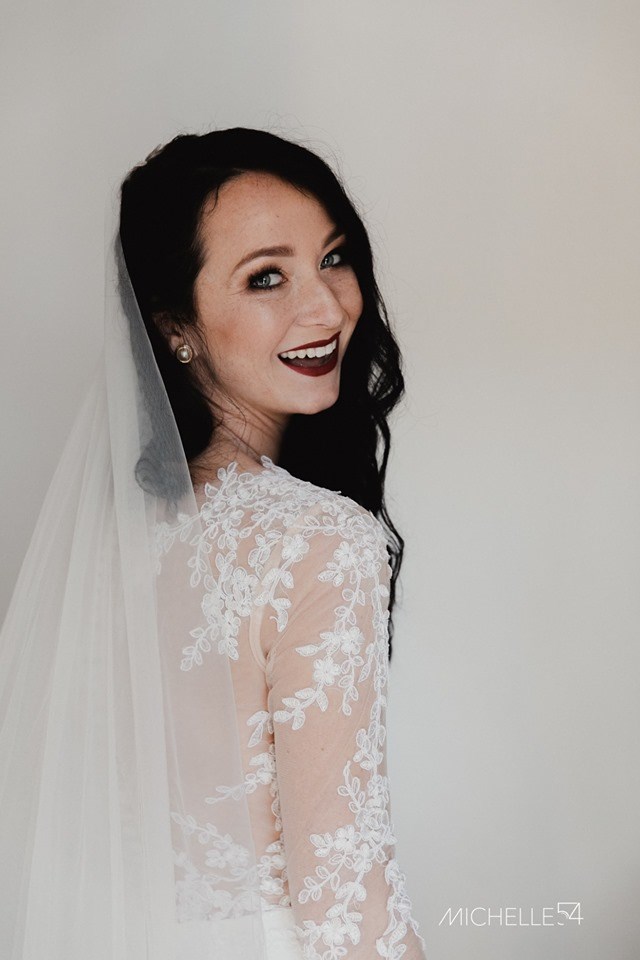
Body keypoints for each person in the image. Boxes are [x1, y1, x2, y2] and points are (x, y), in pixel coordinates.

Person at [0, 128, 427, 960]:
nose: (327, 308)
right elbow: (347, 909)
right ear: (175, 328)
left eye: (334, 258)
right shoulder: (319, 542)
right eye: (266, 276)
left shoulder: (98, 545)